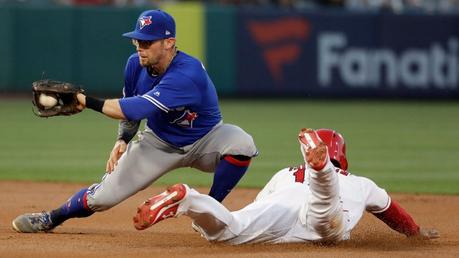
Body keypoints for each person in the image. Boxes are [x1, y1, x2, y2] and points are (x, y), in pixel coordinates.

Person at [12, 9, 257, 233]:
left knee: (241, 144)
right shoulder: (134, 65)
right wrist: (123, 139)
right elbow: (131, 110)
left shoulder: (188, 74)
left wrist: (84, 100)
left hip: (206, 140)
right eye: (137, 40)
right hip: (158, 143)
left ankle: (210, 208)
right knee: (102, 198)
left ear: (169, 43)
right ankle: (51, 218)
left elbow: (134, 107)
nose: (140, 47)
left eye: (147, 42)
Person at [132, 128, 439, 244]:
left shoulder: (284, 173)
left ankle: (189, 201)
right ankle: (322, 173)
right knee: (326, 222)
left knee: (233, 227)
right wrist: (415, 233)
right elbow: (390, 211)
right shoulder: (361, 184)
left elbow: (258, 206)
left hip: (283, 204)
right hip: (326, 216)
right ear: (341, 157)